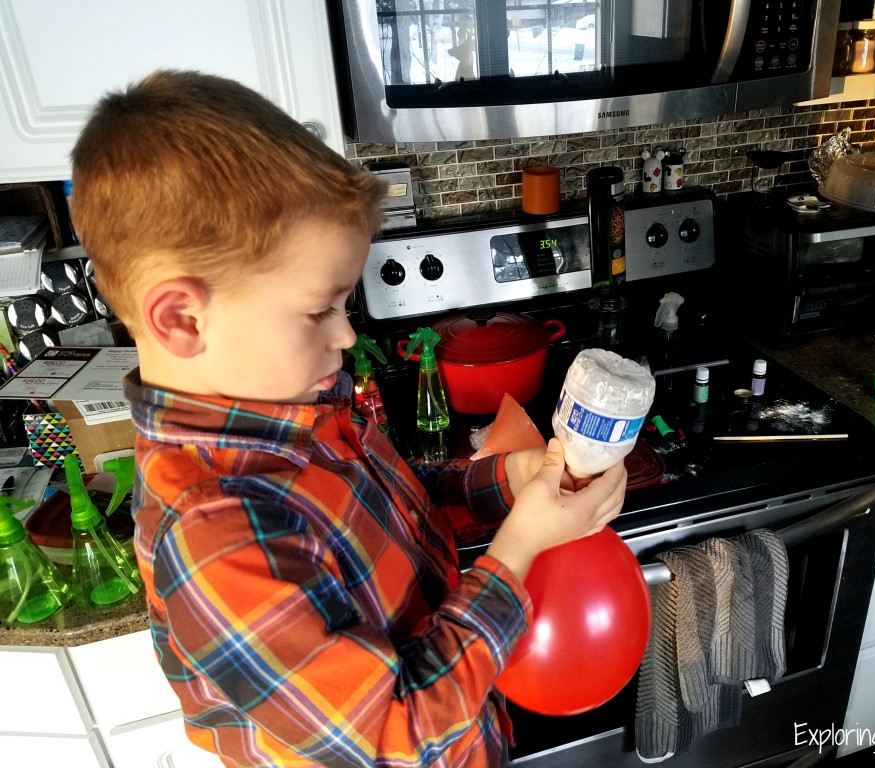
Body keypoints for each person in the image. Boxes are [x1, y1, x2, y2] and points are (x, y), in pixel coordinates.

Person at [69, 70, 628, 768]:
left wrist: (507, 482)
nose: (342, 336)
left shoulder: (296, 404)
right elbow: (397, 731)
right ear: (182, 318)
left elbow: (393, 513)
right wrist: (517, 550)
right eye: (318, 309)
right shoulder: (212, 528)